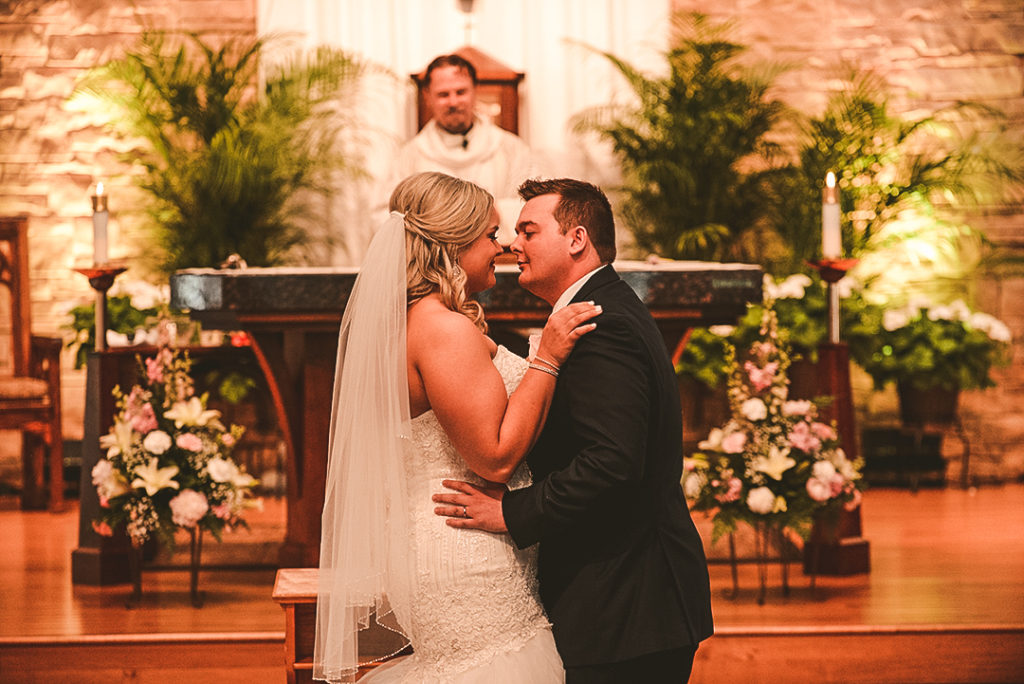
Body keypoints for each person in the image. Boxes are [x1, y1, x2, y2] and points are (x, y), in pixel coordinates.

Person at [313, 171, 601, 683]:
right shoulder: (442, 329)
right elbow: (494, 456)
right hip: (466, 548)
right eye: (491, 234)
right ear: (453, 243)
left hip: (447, 535)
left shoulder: (414, 321)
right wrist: (549, 357)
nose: (504, 246)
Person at [433, 178, 715, 682]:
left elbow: (612, 462)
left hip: (628, 604)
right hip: (621, 602)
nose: (511, 246)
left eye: (528, 231)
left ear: (577, 239)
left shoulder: (602, 325)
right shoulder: (594, 312)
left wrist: (510, 513)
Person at [382, 54, 535, 244]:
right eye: (443, 95)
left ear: (475, 91)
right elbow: (388, 218)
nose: (453, 102)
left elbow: (533, 210)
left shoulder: (512, 150)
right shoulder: (409, 157)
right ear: (427, 97)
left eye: (461, 92)